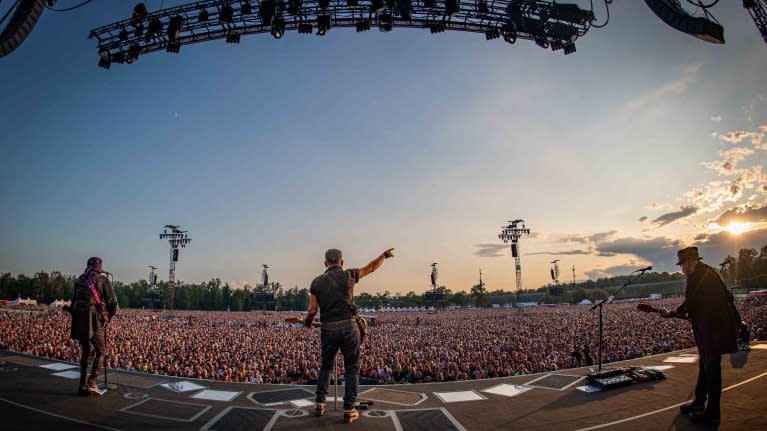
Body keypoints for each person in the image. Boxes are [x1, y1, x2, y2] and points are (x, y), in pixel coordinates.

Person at [304, 248, 394, 424]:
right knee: (352, 368)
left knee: (326, 366)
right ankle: (349, 409)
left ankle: (319, 404)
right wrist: (384, 255)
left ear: (325, 263)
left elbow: (313, 310)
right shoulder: (349, 274)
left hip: (328, 328)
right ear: (342, 262)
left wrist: (308, 322)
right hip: (348, 325)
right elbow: (371, 268)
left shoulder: (316, 282)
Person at [660, 246, 739, 424]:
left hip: (710, 330)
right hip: (715, 328)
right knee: (706, 366)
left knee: (711, 369)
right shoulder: (710, 272)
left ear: (689, 262)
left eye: (682, 265)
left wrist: (673, 312)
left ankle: (712, 413)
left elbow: (691, 301)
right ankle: (699, 402)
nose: (682, 269)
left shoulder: (697, 276)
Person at [69, 257, 118, 396]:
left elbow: (73, 302)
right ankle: (92, 383)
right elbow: (113, 301)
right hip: (93, 318)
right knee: (101, 351)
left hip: (79, 318)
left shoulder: (80, 279)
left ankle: (82, 385)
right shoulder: (102, 279)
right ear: (99, 266)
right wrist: (108, 317)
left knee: (85, 351)